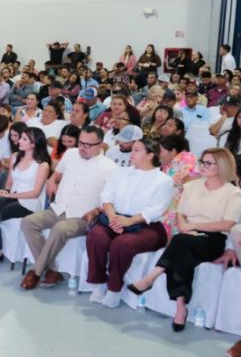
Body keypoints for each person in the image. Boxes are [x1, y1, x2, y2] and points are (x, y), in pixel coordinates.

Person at [128, 148, 241, 332]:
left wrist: (191, 228)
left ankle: (151, 278)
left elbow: (228, 224)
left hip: (213, 239)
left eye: (208, 163)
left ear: (221, 166)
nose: (202, 166)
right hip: (187, 235)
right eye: (202, 162)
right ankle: (181, 307)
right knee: (181, 251)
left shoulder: (233, 193)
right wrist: (185, 227)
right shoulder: (191, 186)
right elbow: (180, 214)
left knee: (180, 242)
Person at [20, 126, 116, 290]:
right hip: (58, 208)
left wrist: (96, 211)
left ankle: (36, 272)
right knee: (28, 222)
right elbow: (56, 174)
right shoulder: (71, 154)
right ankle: (52, 270)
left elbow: (110, 200)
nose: (82, 148)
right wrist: (51, 180)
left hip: (82, 216)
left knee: (59, 229)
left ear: (100, 145)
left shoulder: (110, 168)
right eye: (81, 143)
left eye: (88, 145)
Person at [85, 138, 175, 308]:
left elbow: (154, 210)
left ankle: (114, 289)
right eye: (132, 149)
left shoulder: (163, 181)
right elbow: (107, 196)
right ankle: (98, 284)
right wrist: (113, 217)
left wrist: (129, 221)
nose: (131, 153)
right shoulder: (120, 172)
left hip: (145, 225)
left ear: (150, 155)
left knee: (122, 244)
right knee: (96, 236)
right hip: (115, 218)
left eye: (137, 150)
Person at [0, 127, 50, 265]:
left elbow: (35, 193)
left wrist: (11, 196)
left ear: (34, 143)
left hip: (29, 202)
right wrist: (3, 192)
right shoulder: (15, 157)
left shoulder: (42, 165)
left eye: (24, 139)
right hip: (13, 196)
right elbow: (9, 182)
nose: (19, 141)